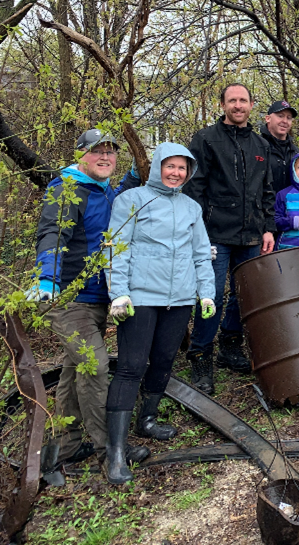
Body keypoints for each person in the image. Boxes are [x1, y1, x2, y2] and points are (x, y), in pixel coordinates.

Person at [32, 129, 144, 477]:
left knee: (74, 368)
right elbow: (52, 232)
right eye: (98, 151)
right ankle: (107, 447)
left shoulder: (104, 189)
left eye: (111, 152)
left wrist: (135, 175)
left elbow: (114, 210)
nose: (106, 157)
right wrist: (47, 277)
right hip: (68, 298)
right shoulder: (67, 189)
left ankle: (67, 445)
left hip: (97, 297)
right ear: (81, 154)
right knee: (95, 366)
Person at [103, 142, 216, 484]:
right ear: (157, 167)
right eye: (171, 166)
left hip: (179, 300)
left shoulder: (191, 208)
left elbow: (200, 254)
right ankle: (116, 451)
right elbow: (116, 247)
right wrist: (118, 291)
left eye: (182, 168)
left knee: (165, 360)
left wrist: (205, 293)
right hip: (140, 298)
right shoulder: (131, 200)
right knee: (131, 367)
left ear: (189, 172)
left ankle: (147, 420)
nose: (176, 173)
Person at [182, 83, 277, 394]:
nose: (238, 106)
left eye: (243, 100)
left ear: (252, 105)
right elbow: (194, 188)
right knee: (211, 296)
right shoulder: (206, 139)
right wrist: (198, 232)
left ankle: (230, 347)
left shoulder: (260, 145)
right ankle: (200, 355)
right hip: (215, 234)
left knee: (243, 295)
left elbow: (266, 192)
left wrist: (267, 228)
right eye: (232, 100)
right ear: (222, 104)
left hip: (251, 235)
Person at [260, 99, 299, 193]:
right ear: (268, 118)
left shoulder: (295, 152)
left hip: (290, 206)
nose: (285, 121)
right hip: (264, 206)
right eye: (280, 116)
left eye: (289, 118)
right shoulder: (257, 147)